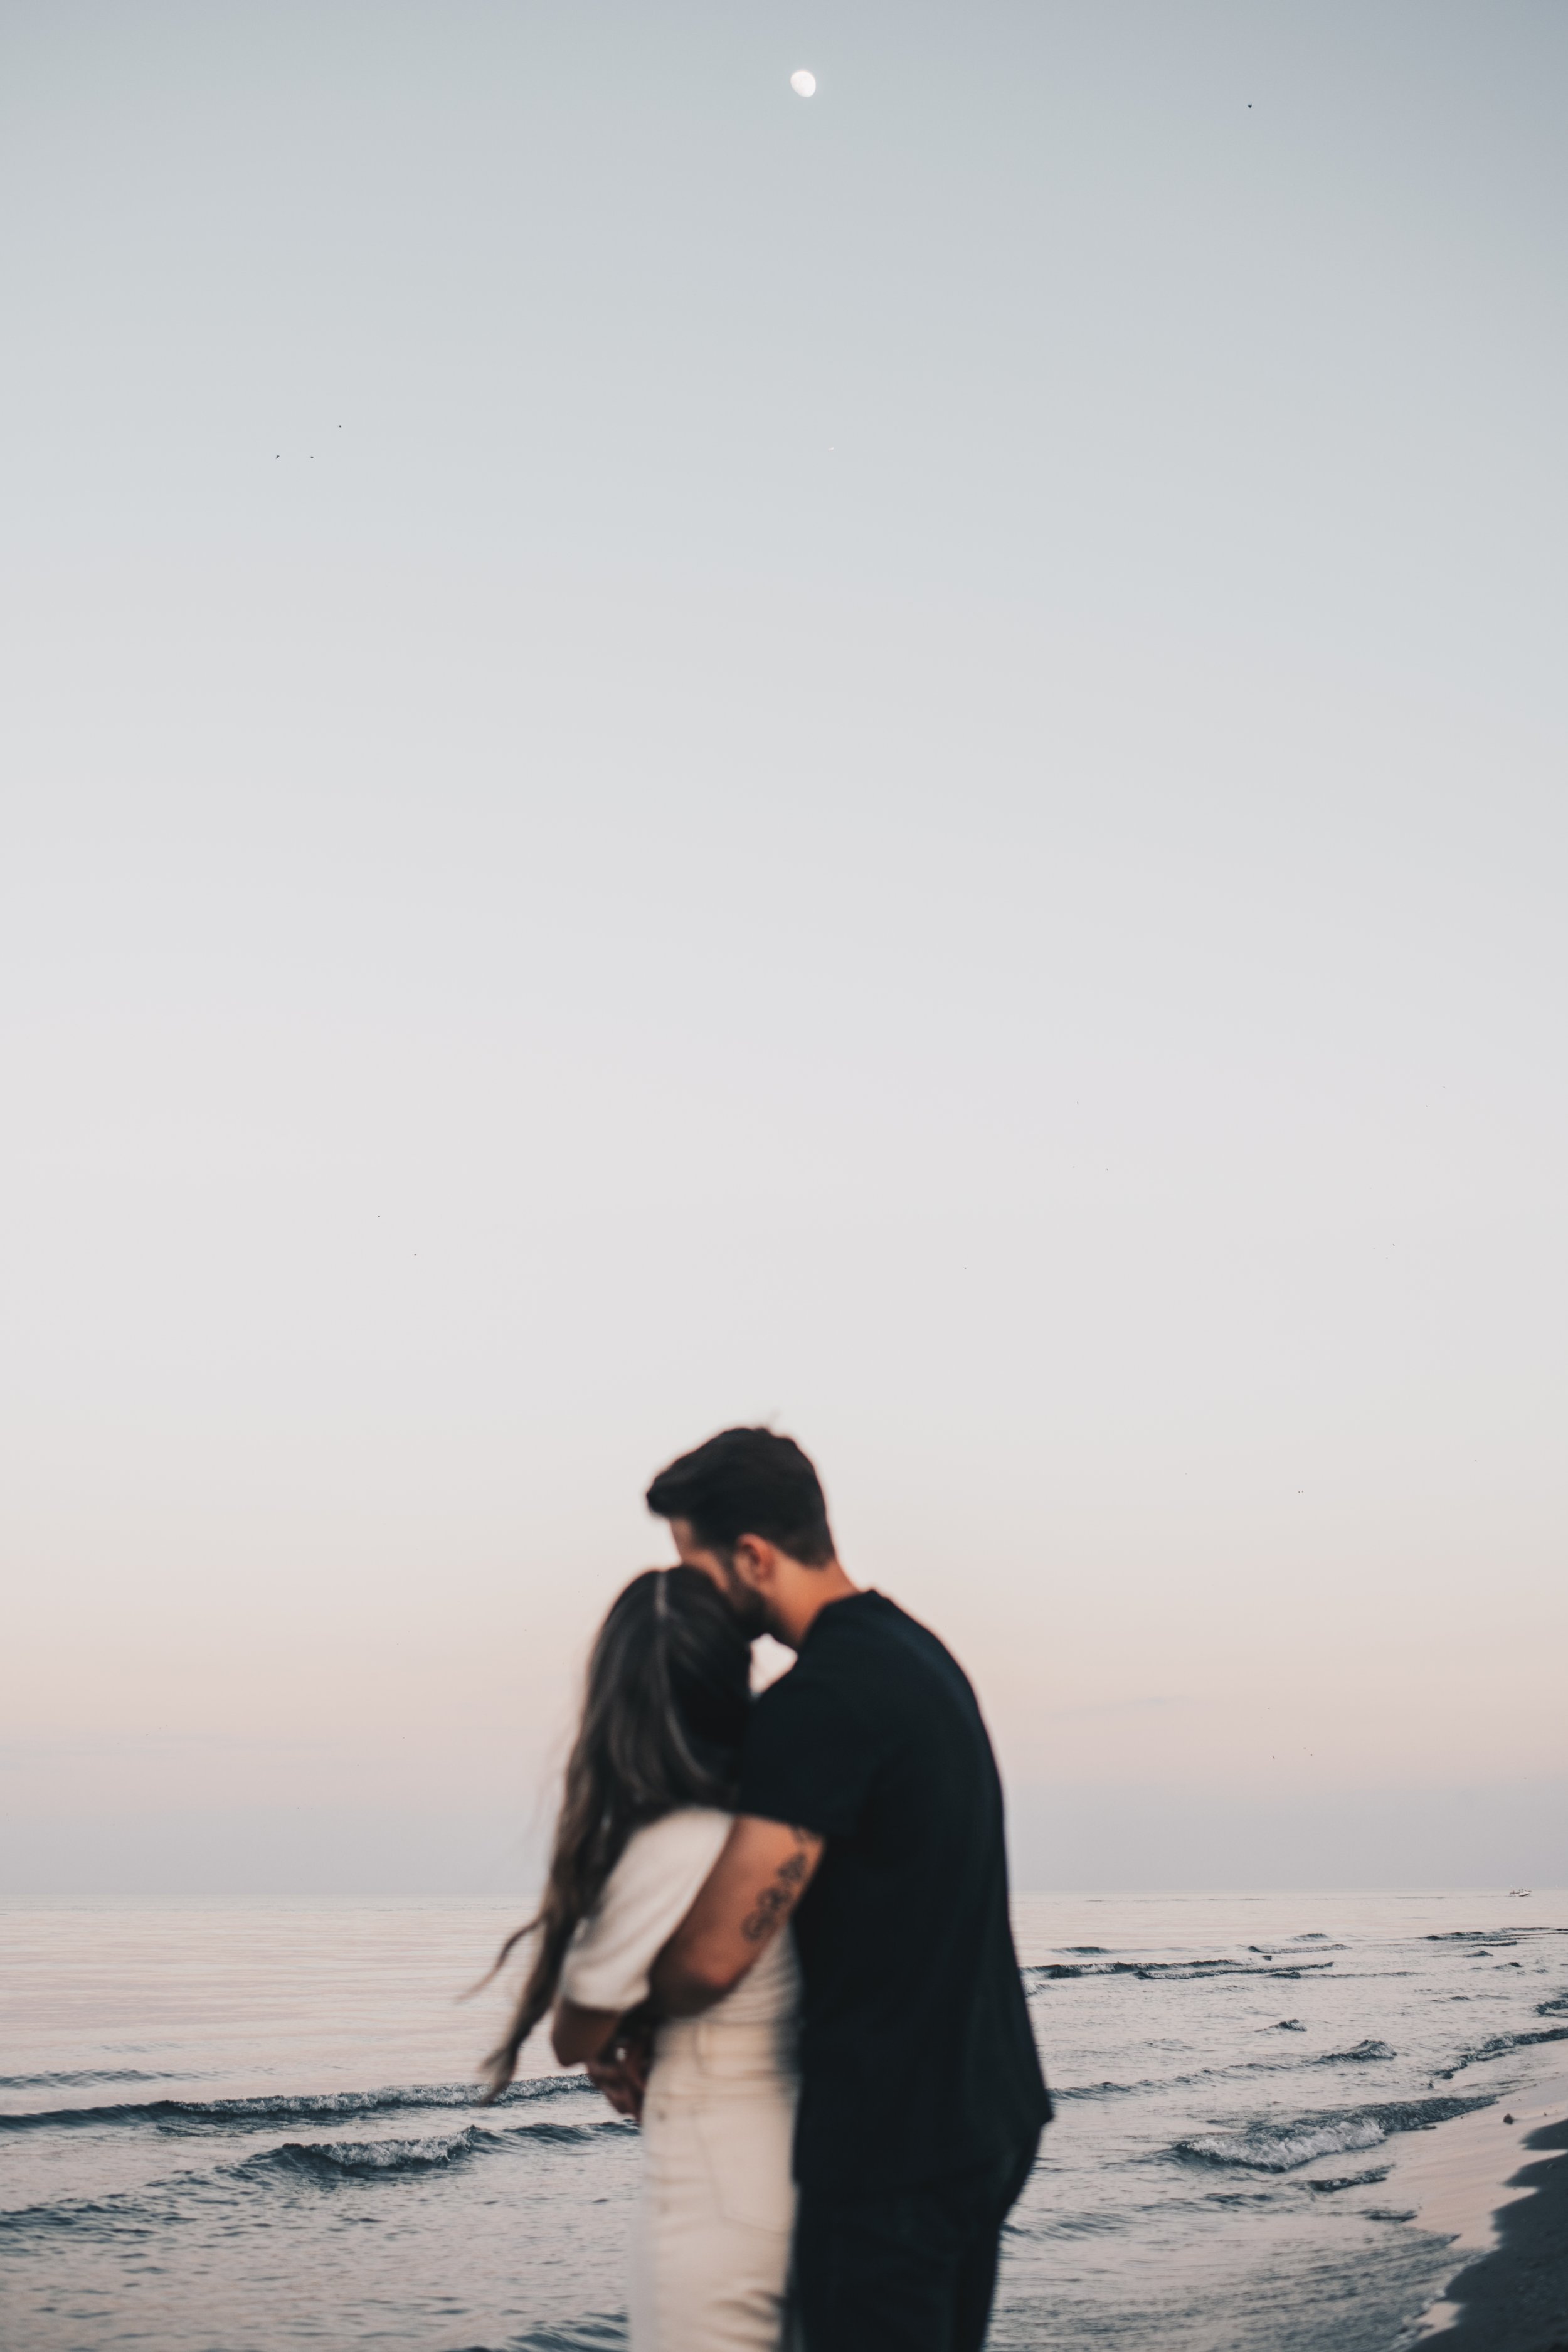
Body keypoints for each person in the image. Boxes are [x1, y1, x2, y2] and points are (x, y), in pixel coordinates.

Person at [598, 1426, 1051, 2352]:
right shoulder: (918, 1655)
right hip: (988, 2109)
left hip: (892, 2143)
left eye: (695, 1566)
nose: (690, 1596)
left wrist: (626, 2016)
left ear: (755, 1555)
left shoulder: (821, 1702)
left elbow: (721, 1948)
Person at [479, 1565, 802, 2352]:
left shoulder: (663, 1851)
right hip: (807, 2175)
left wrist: (617, 2033)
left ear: (615, 1702)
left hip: (713, 2195)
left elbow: (573, 2034)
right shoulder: (788, 1828)